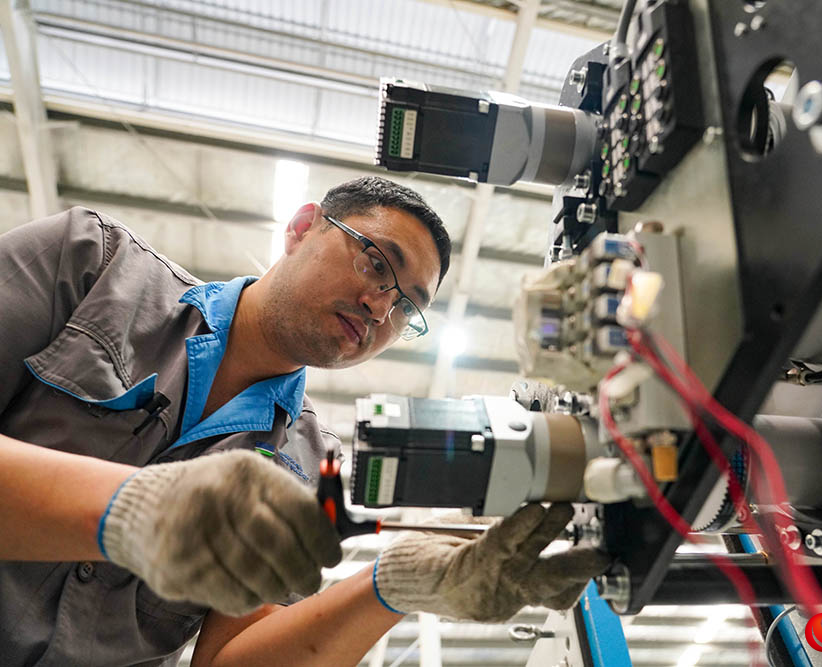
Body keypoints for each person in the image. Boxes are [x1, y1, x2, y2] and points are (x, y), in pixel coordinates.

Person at [0, 176, 609, 666]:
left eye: (407, 307)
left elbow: (231, 660)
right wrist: (133, 511)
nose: (381, 307)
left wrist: (388, 589)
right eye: (377, 263)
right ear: (300, 229)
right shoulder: (92, 265)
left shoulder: (311, 465)